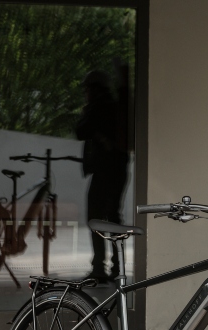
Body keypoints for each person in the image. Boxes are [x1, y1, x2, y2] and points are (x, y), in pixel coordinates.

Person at [76, 70, 130, 282]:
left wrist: (87, 110)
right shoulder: (113, 106)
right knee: (112, 218)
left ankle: (100, 268)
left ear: (95, 89)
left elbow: (81, 130)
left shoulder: (100, 107)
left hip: (105, 171)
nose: (86, 93)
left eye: (88, 88)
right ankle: (117, 267)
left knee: (97, 219)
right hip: (116, 169)